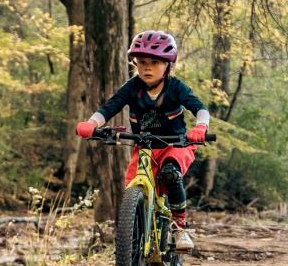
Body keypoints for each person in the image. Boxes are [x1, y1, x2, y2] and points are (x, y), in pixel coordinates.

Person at [75, 30, 209, 252]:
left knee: (170, 174)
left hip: (174, 145)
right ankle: (133, 238)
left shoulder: (175, 87)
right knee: (133, 185)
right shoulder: (132, 87)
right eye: (142, 62)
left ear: (167, 64)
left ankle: (179, 227)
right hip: (144, 147)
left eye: (155, 62)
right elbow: (110, 107)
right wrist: (92, 124)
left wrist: (201, 127)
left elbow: (200, 109)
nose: (147, 67)